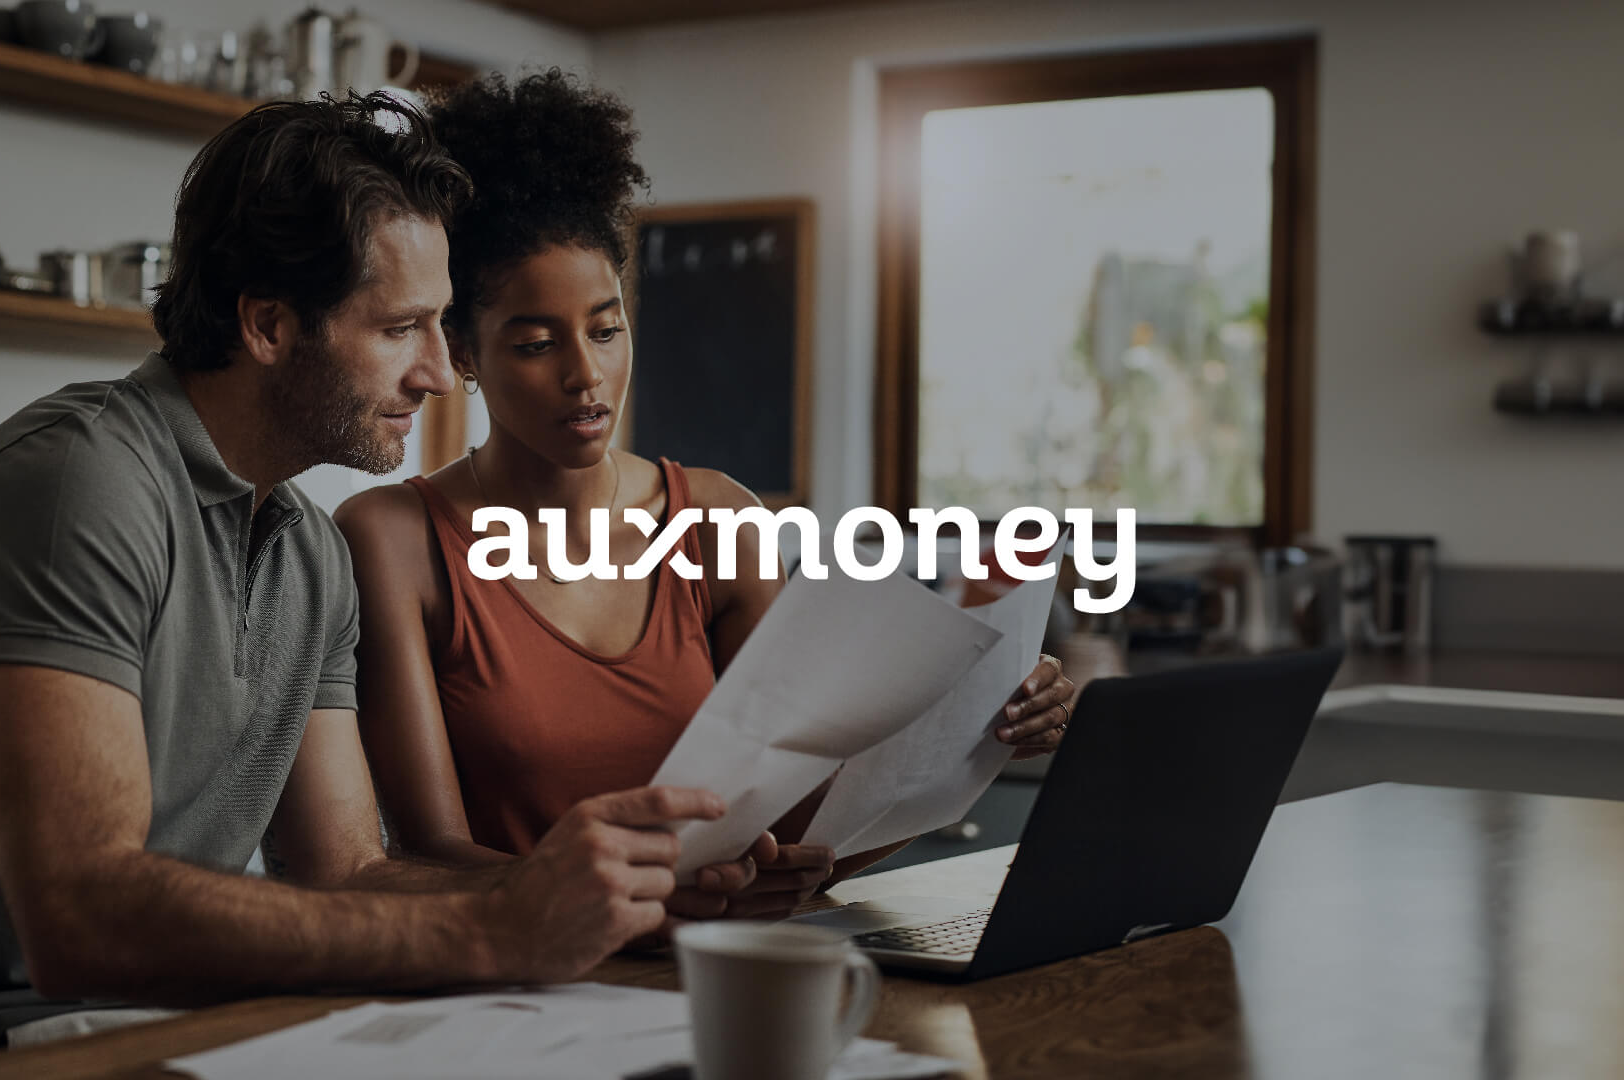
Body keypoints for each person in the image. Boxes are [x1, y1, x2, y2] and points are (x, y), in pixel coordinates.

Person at [0, 93, 755, 1072]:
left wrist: (589, 894)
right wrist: (492, 934)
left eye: (444, 327)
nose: (442, 375)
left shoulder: (308, 551)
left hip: (163, 1023)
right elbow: (81, 916)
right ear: (268, 323)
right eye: (403, 327)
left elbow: (345, 871)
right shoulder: (76, 485)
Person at [334, 71, 1076, 924]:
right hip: (518, 990)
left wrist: (979, 729)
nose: (587, 376)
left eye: (607, 330)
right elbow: (429, 852)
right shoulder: (392, 540)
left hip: (714, 973)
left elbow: (808, 823)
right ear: (460, 351)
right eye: (536, 343)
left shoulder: (718, 518)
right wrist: (647, 901)